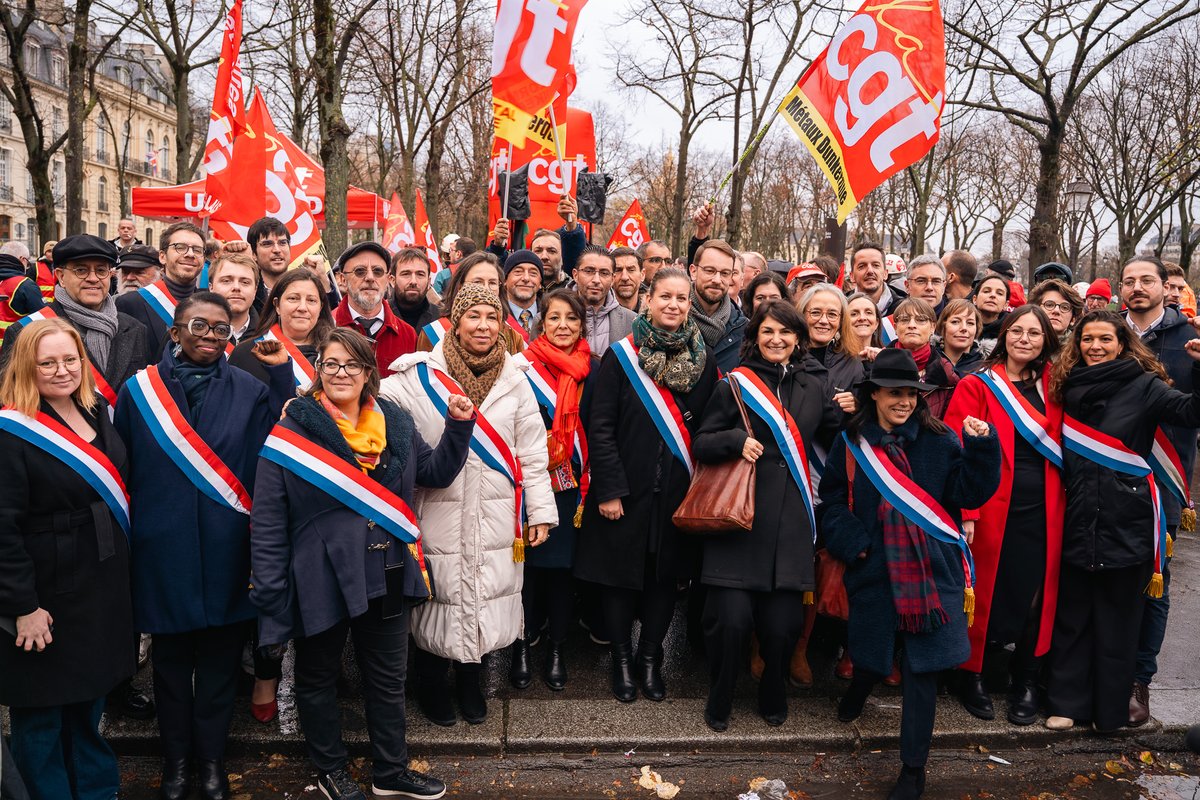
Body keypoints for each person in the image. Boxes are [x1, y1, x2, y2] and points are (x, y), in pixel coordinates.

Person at [250, 328, 473, 800]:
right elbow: (269, 519)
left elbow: (434, 473)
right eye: (330, 364)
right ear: (317, 371)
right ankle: (330, 769)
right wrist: (269, 589)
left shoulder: (396, 420)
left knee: (387, 679)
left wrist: (457, 428)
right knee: (317, 677)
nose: (341, 373)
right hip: (320, 575)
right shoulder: (293, 430)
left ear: (369, 372)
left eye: (352, 364)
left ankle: (389, 771)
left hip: (388, 569)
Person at [115, 292, 291, 800]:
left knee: (216, 670)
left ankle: (211, 763)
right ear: (175, 332)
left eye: (221, 330)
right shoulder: (137, 392)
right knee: (169, 669)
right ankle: (175, 763)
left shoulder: (249, 391)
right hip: (162, 550)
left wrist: (279, 375)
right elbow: (122, 470)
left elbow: (277, 452)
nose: (212, 337)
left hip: (225, 551)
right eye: (199, 326)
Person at [821, 347, 999, 800]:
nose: (904, 401)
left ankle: (913, 769)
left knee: (923, 671)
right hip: (876, 570)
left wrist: (981, 448)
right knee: (872, 656)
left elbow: (969, 490)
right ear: (874, 395)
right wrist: (856, 547)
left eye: (911, 394)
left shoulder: (940, 440)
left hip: (932, 574)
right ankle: (858, 692)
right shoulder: (850, 442)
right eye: (894, 393)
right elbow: (834, 504)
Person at [380, 284, 556, 726]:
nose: (482, 325)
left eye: (491, 317)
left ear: (502, 325)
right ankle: (432, 684)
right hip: (438, 507)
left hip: (497, 512)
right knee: (440, 595)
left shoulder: (516, 379)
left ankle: (470, 683)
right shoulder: (416, 376)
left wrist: (541, 512)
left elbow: (533, 454)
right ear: (455, 323)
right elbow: (366, 402)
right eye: (473, 316)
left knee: (483, 593)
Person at [1046, 310, 1200, 733]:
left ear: (1122, 343)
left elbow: (1191, 413)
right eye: (1087, 340)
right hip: (1077, 512)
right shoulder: (1066, 386)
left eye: (1105, 340)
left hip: (1127, 517)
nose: (1095, 347)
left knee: (1118, 618)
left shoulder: (1145, 385)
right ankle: (1065, 703)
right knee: (1073, 615)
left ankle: (1109, 711)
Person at [0, 319, 135, 800]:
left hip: (98, 586)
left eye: (70, 359)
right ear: (26, 367)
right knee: (41, 719)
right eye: (48, 362)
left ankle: (98, 793)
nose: (62, 370)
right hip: (45, 592)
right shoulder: (11, 428)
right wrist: (22, 607)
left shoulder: (96, 411)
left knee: (88, 711)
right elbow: (3, 529)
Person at [574, 267, 719, 703]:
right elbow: (600, 427)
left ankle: (650, 659)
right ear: (648, 300)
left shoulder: (703, 358)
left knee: (664, 581)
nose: (673, 305)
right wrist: (610, 489)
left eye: (681, 298)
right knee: (620, 580)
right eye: (665, 297)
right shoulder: (620, 357)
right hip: (626, 492)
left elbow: (708, 426)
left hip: (677, 493)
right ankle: (621, 659)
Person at [694, 300, 840, 731]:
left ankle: (772, 688)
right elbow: (702, 442)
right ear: (755, 336)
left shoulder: (816, 384)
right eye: (768, 331)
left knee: (782, 627)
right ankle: (720, 692)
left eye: (786, 332)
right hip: (739, 520)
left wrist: (860, 405)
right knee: (732, 623)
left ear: (798, 339)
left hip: (789, 526)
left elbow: (837, 433)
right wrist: (735, 440)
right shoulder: (735, 385)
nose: (777, 339)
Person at [943, 306, 1063, 726]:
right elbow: (957, 450)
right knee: (984, 595)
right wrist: (968, 510)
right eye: (1017, 331)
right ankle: (971, 674)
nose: (1024, 339)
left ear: (1046, 339)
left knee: (1036, 596)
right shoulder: (977, 385)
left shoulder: (1056, 385)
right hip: (992, 507)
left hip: (1046, 507)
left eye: (1034, 333)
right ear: (1004, 335)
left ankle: (1026, 680)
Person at [1119, 255, 1200, 725]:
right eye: (1129, 281)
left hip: (1162, 479)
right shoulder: (1108, 331)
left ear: (1164, 285)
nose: (1137, 288)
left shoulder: (1188, 336)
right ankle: (1099, 671)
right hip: (1106, 474)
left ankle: (1138, 681)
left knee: (1154, 582)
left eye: (1146, 280)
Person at [508, 290, 595, 692]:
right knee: (527, 575)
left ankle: (557, 649)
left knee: (562, 574)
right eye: (554, 318)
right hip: (529, 486)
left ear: (581, 325)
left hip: (573, 490)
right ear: (541, 323)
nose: (563, 325)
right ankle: (522, 646)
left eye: (571, 319)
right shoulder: (519, 368)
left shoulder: (592, 370)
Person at [1, 235, 150, 410]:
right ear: (61, 276)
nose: (93, 278)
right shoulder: (25, 330)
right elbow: (10, 402)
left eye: (101, 270)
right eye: (81, 270)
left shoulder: (135, 329)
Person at [228, 268, 335, 392]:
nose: (302, 307)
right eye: (293, 298)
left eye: (311, 300)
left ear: (320, 307)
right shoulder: (247, 353)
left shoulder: (337, 352)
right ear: (277, 305)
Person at [116, 221, 206, 363]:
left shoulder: (209, 304)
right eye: (180, 247)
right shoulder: (130, 303)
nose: (190, 254)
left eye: (197, 250)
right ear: (162, 256)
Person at [332, 242, 417, 379]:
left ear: (388, 279)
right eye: (360, 271)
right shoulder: (328, 326)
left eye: (378, 271)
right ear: (342, 280)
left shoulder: (408, 334)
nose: (370, 278)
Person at [417, 253, 526, 355]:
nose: (486, 289)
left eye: (492, 283)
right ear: (460, 286)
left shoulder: (512, 337)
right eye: (477, 282)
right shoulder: (433, 333)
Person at [886, 297, 959, 419]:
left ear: (933, 327)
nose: (912, 325)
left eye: (920, 320)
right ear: (895, 328)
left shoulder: (947, 375)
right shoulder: (877, 363)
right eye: (905, 320)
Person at [797, 284, 866, 399]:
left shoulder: (852, 363)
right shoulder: (788, 357)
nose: (824, 320)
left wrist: (857, 408)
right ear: (802, 314)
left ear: (841, 321)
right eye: (815, 312)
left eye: (832, 314)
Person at [689, 239, 747, 373]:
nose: (717, 280)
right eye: (710, 271)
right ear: (693, 271)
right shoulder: (670, 321)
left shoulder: (745, 331)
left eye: (725, 273)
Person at [577, 245, 636, 358]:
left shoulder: (633, 322)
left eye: (604, 273)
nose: (596, 280)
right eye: (589, 271)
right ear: (575, 274)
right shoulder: (549, 319)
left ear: (613, 279)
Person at [207, 251, 260, 345]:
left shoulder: (269, 336)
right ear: (211, 287)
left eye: (245, 282)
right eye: (226, 281)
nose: (236, 287)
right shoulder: (195, 332)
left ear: (255, 290)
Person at [390, 248, 441, 332]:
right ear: (392, 280)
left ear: (429, 282)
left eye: (420, 274)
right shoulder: (379, 315)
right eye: (406, 274)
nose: (413, 281)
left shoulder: (441, 319)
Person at [0, 246, 45, 340]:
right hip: (13, 348)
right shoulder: (25, 285)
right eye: (28, 263)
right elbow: (42, 321)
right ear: (23, 259)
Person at [851, 243, 905, 316]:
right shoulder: (841, 307)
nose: (870, 271)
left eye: (876, 265)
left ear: (885, 274)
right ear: (852, 276)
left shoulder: (905, 309)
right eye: (862, 266)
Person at [934, 299, 984, 376]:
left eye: (970, 323)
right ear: (943, 326)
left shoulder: (986, 367)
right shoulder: (929, 359)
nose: (964, 328)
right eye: (955, 322)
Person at [503, 249, 543, 336]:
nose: (526, 278)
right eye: (518, 272)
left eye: (533, 273)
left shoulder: (550, 315)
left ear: (540, 283)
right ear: (505, 280)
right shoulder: (496, 316)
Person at [971, 274, 1010, 353]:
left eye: (999, 293)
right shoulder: (961, 326)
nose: (992, 295)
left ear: (1006, 304)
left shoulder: (1010, 332)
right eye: (986, 291)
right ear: (974, 299)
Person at [611, 246, 646, 313]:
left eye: (631, 270)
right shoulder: (599, 316)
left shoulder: (655, 316)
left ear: (642, 275)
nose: (625, 277)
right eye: (618, 270)